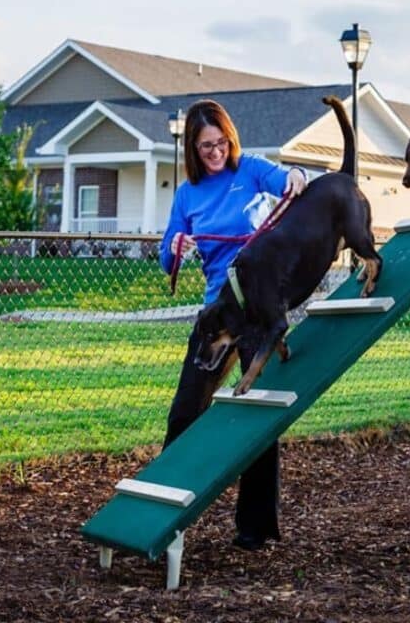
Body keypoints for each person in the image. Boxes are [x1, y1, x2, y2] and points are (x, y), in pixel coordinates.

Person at [159, 98, 307, 551]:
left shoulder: (252, 170)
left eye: (221, 142)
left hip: (257, 312)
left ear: (231, 139)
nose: (215, 152)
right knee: (186, 411)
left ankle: (255, 527)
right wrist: (177, 246)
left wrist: (298, 177)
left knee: (256, 416)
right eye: (206, 146)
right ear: (192, 147)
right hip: (217, 315)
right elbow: (168, 253)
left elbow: (290, 181)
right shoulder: (188, 194)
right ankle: (163, 511)